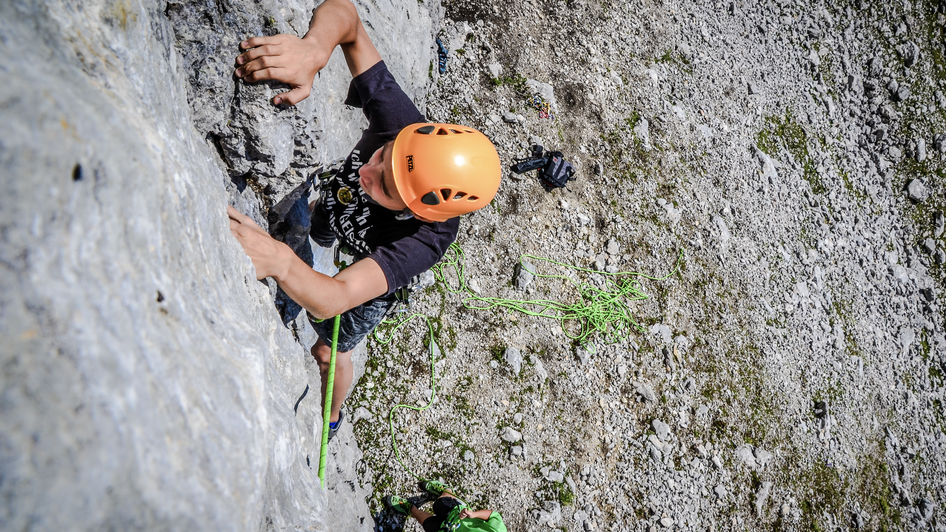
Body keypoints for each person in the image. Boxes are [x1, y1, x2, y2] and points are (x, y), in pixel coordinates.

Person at [226, 0, 501, 440]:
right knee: (317, 228)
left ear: (416, 211)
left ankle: (331, 417)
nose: (366, 172)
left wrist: (279, 261)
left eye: (386, 187)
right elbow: (347, 17)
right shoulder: (400, 125)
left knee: (327, 350)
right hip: (334, 218)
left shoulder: (425, 240)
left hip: (369, 271)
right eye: (381, 156)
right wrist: (314, 50)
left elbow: (336, 299)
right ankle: (314, 241)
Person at [385, 480, 507, 532]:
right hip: (456, 515)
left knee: (426, 522)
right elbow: (493, 516)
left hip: (444, 530)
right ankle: (445, 490)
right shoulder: (498, 530)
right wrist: (474, 514)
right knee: (440, 503)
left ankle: (411, 509)